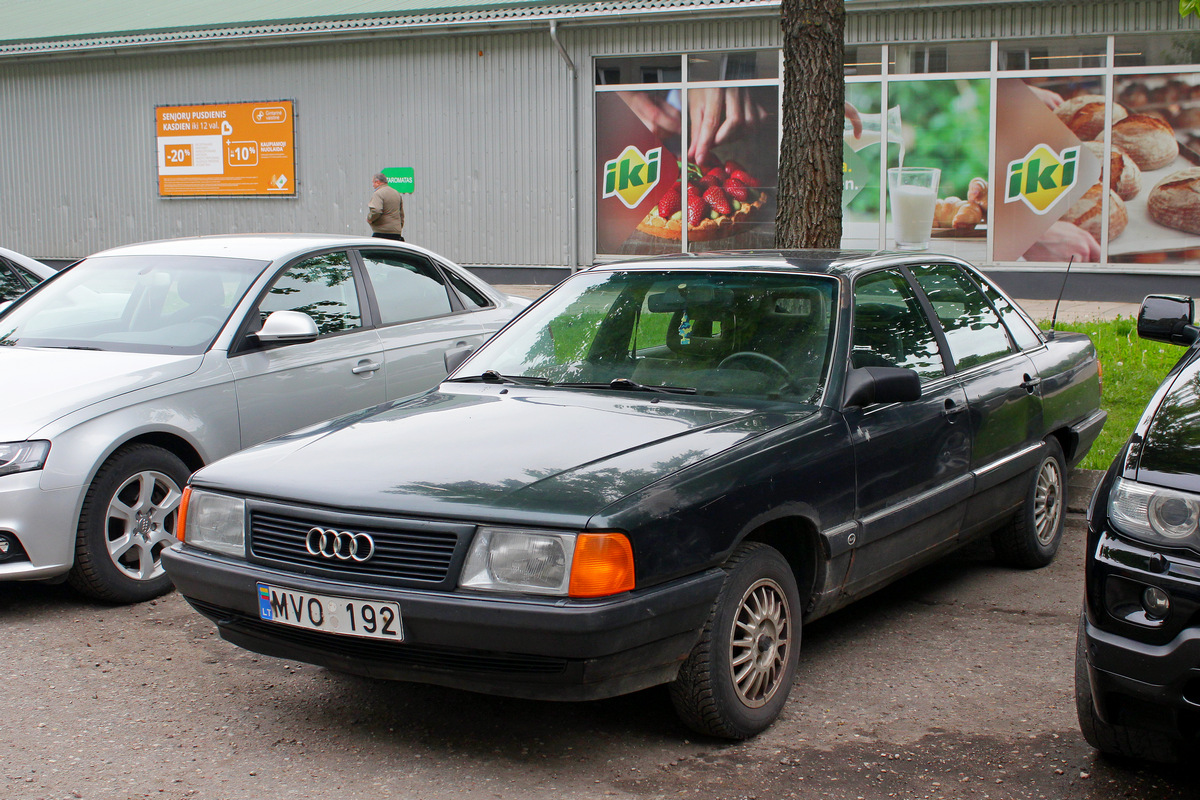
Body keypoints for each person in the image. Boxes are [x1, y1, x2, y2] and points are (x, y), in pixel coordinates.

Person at [367, 173, 404, 241]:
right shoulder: (396, 193)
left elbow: (376, 210)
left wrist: (370, 218)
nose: (373, 185)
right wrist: (399, 227)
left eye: (373, 183)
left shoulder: (378, 193)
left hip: (381, 232)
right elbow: (401, 214)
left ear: (377, 182)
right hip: (396, 232)